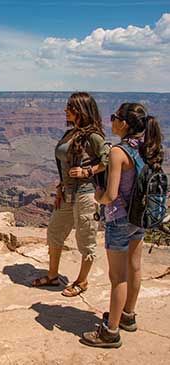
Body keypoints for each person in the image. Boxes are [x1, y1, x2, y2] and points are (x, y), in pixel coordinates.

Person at [82, 103, 164, 348]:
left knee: (118, 277)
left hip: (118, 219)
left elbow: (110, 194)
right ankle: (128, 315)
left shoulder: (119, 152)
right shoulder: (147, 147)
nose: (112, 121)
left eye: (115, 117)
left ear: (124, 124)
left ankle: (110, 332)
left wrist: (97, 195)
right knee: (135, 269)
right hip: (139, 217)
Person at [32, 92, 109, 296]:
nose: (65, 110)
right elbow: (64, 164)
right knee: (54, 232)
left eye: (69, 107)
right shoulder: (71, 132)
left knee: (85, 238)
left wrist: (88, 171)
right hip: (67, 193)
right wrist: (60, 188)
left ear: (80, 111)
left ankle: (82, 281)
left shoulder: (94, 136)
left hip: (86, 193)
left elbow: (108, 159)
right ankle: (52, 276)